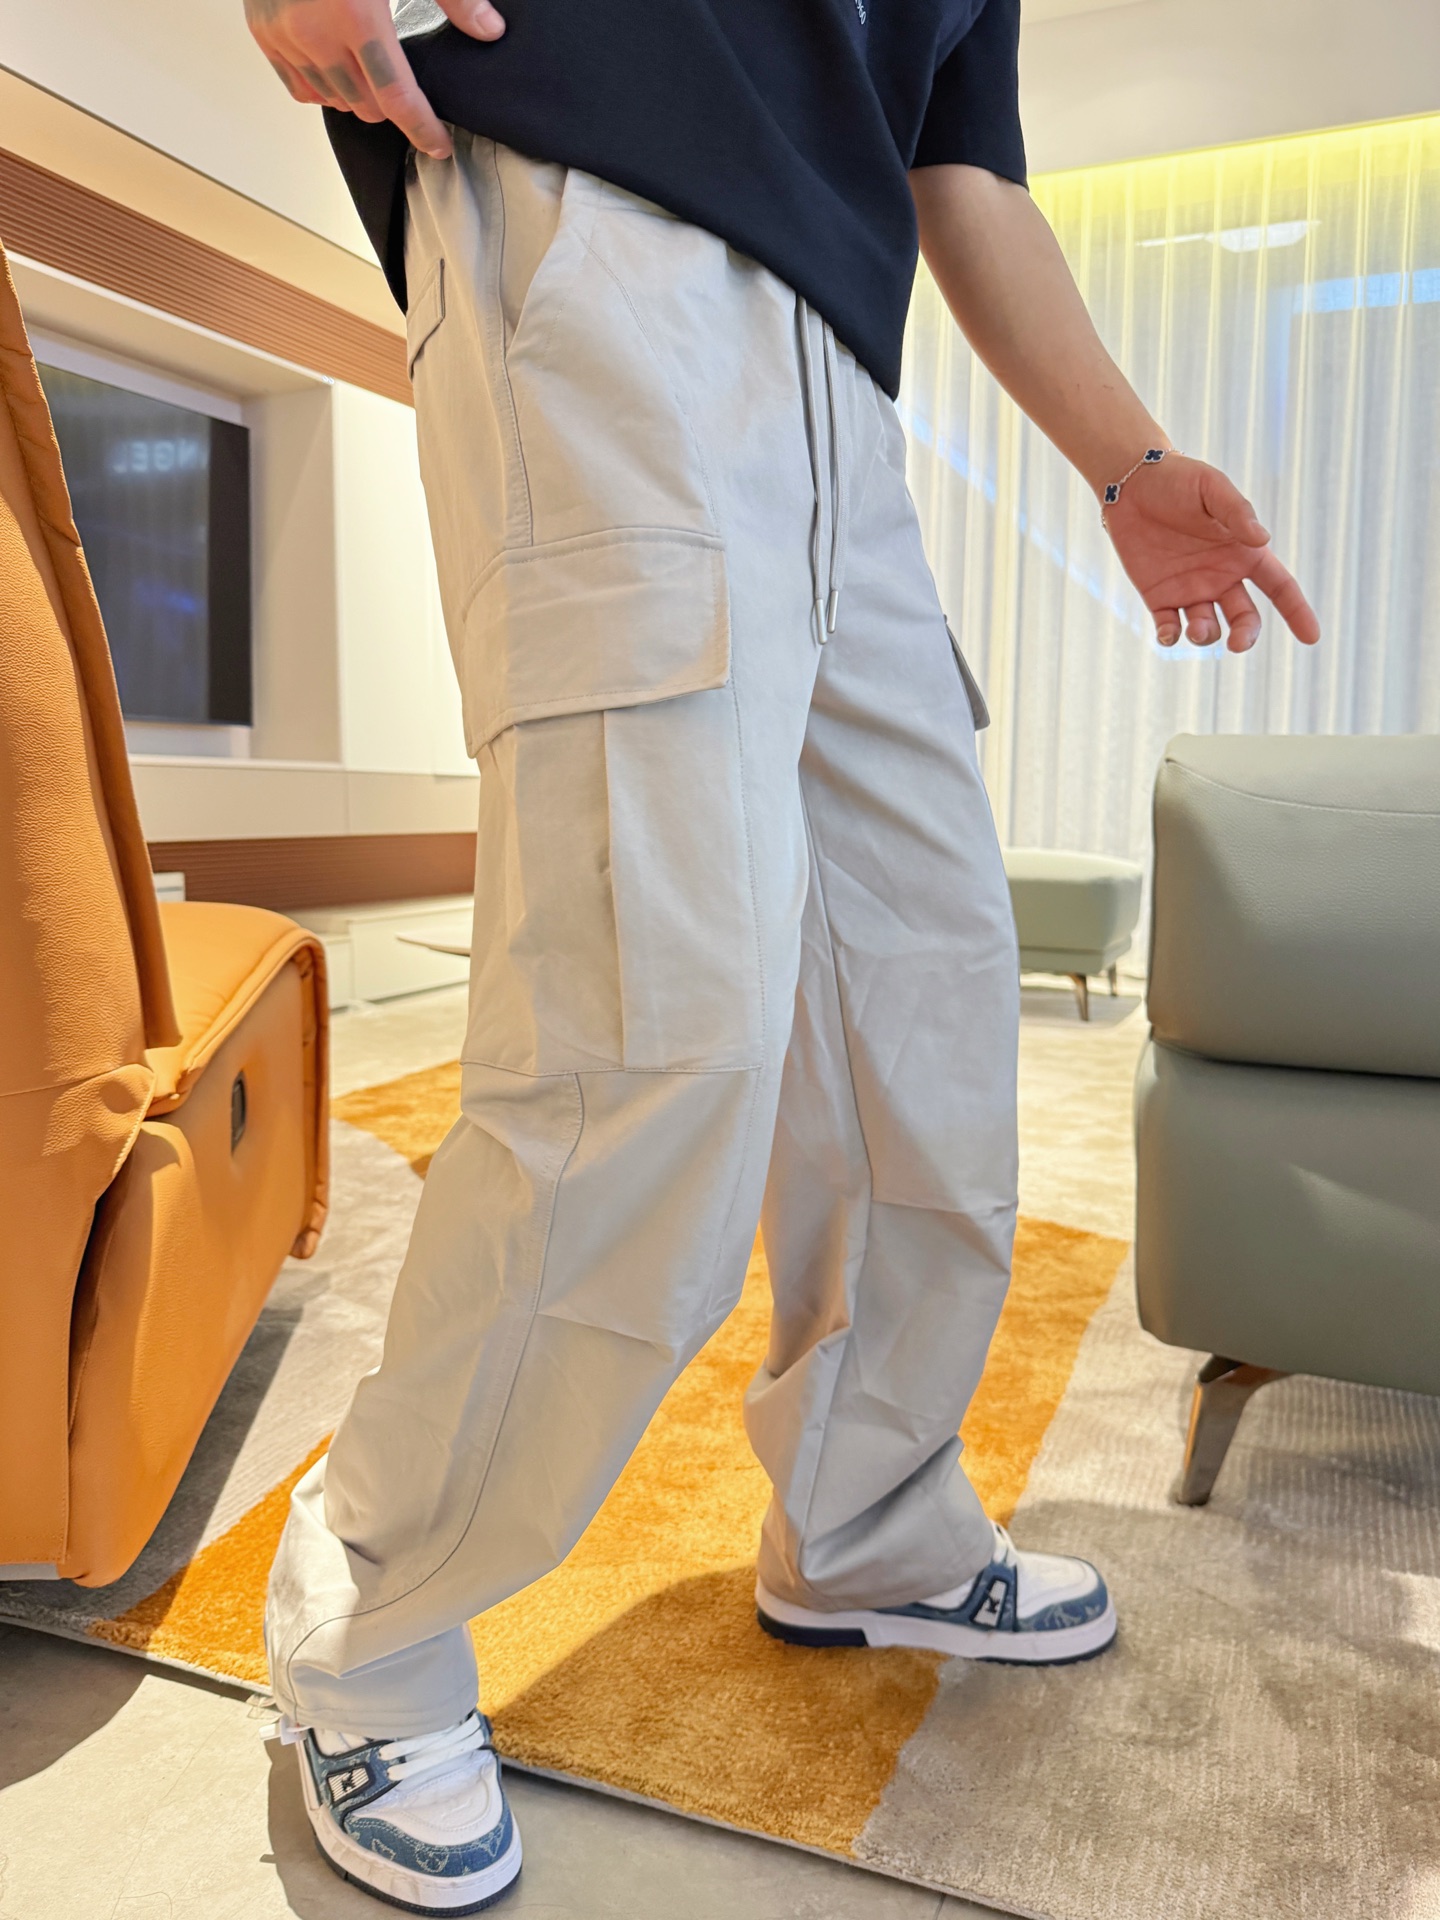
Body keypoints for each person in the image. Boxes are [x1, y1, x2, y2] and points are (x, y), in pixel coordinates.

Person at [247, 1, 1321, 1910]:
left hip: (843, 377)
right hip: (598, 245)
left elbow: (960, 172)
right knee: (648, 1030)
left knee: (925, 1002)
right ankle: (373, 1611)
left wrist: (1126, 459)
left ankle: (868, 1517)